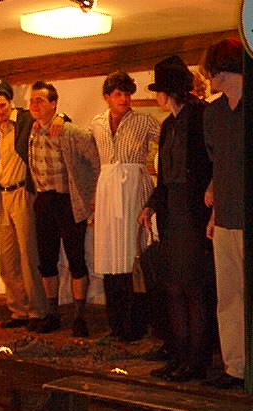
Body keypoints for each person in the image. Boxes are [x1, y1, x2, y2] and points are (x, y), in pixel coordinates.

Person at [138, 57, 214, 382]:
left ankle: (197, 359)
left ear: (167, 91)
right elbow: (164, 178)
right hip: (173, 211)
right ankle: (179, 353)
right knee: (172, 285)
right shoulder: (168, 124)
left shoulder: (199, 116)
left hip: (193, 212)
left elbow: (209, 164)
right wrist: (151, 205)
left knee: (193, 287)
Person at [0, 79, 65, 330]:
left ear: (10, 103)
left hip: (22, 192)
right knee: (7, 259)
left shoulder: (25, 120)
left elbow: (53, 116)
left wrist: (61, 117)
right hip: (2, 196)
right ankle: (17, 310)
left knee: (28, 256)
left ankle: (36, 311)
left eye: (2, 105)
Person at [89, 72, 160, 341]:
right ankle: (116, 324)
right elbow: (84, 151)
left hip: (134, 189)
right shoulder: (97, 124)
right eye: (118, 94)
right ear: (107, 97)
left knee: (134, 254)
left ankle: (137, 324)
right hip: (108, 191)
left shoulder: (144, 121)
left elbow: (167, 142)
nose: (124, 99)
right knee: (110, 255)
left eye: (128, 94)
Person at [27, 81, 100, 336]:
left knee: (76, 259)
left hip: (68, 202)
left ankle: (79, 316)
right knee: (46, 261)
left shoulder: (70, 131)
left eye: (40, 100)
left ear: (54, 103)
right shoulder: (33, 131)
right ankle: (52, 313)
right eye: (32, 100)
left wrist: (91, 196)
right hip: (43, 201)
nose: (34, 105)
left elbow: (95, 161)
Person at [200, 38, 246, 390]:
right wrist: (214, 211)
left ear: (223, 69)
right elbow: (218, 164)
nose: (207, 78)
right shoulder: (213, 113)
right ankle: (235, 367)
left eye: (210, 72)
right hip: (227, 216)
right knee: (228, 296)